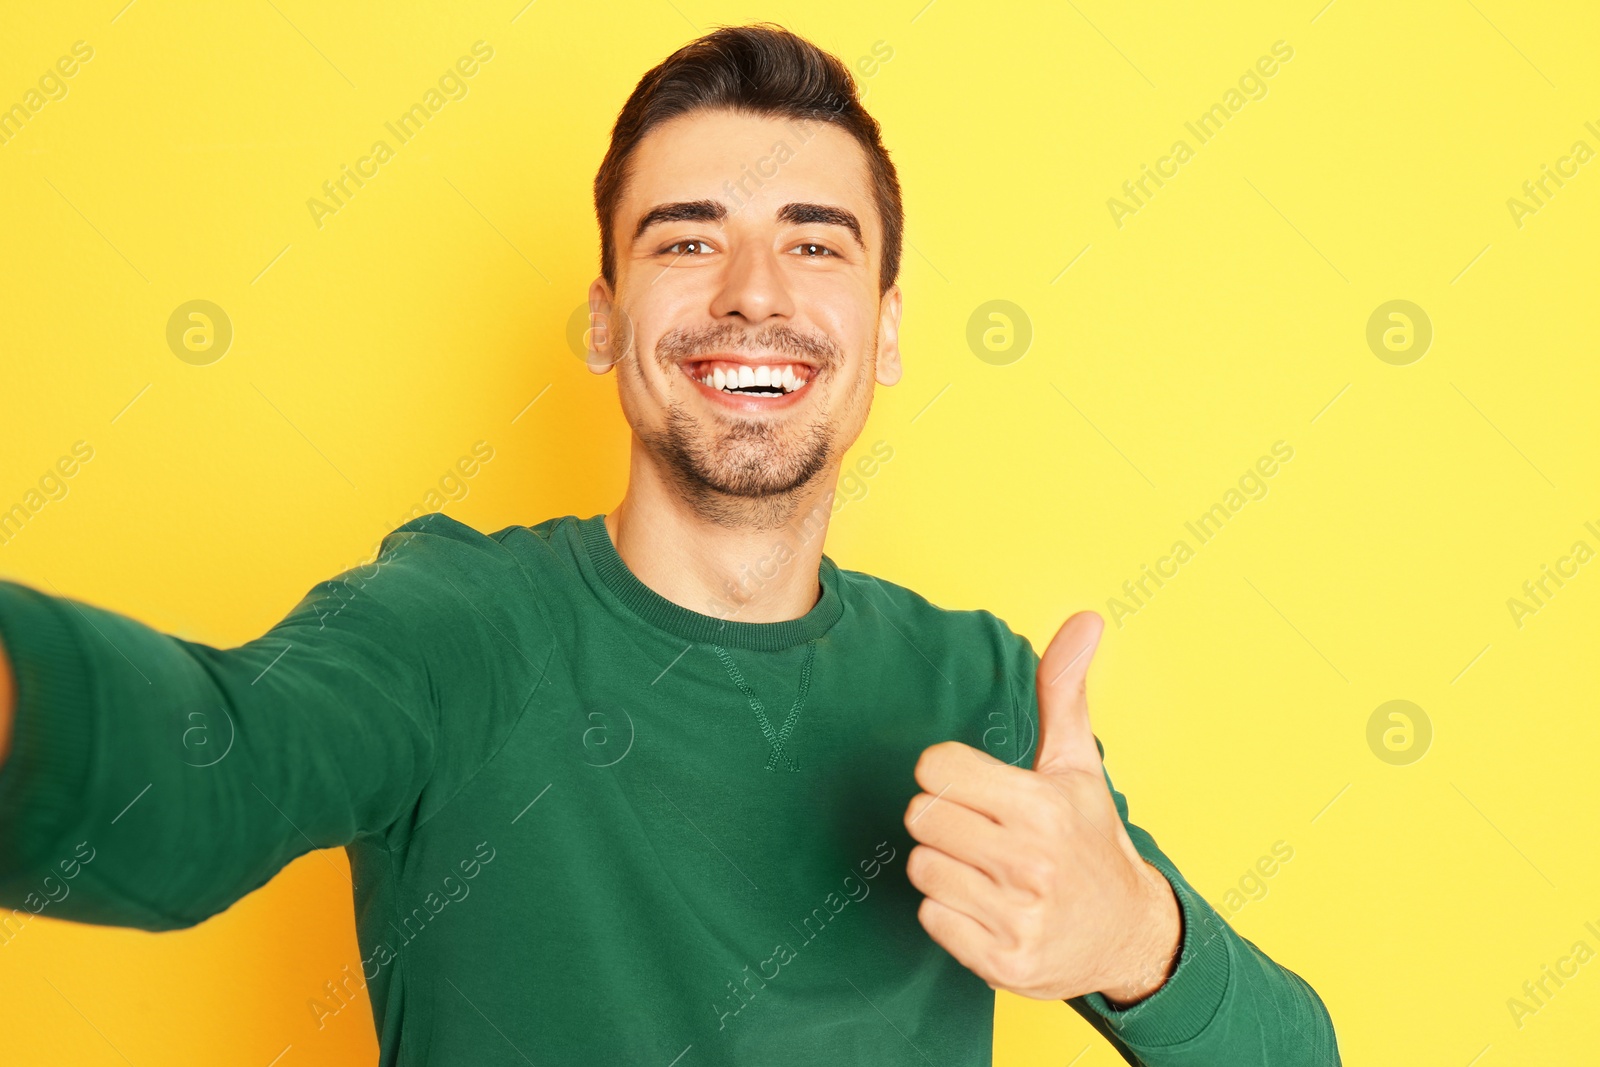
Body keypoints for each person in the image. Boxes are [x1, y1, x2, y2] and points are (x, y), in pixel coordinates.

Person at [0, 23, 1339, 1066]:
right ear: (603, 319)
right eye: (687, 239)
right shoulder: (457, 623)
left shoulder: (982, 692)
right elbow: (198, 779)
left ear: (885, 330)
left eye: (815, 246)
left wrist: (1138, 939)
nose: (752, 294)